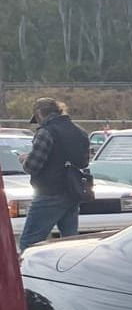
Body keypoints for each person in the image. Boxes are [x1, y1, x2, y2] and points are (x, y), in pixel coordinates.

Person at [18, 97, 91, 250]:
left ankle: (28, 273)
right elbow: (84, 162)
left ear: (39, 113)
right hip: (73, 191)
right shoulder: (80, 132)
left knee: (30, 243)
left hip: (49, 192)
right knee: (70, 244)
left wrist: (25, 158)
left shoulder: (46, 132)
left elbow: (32, 166)